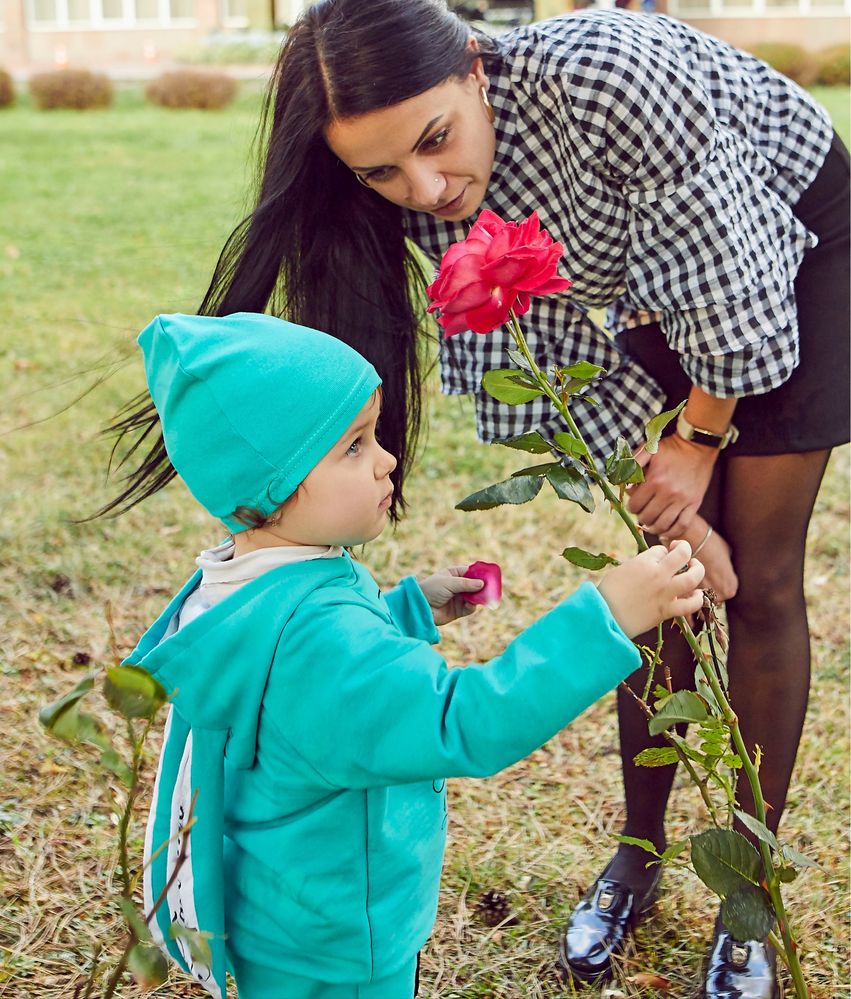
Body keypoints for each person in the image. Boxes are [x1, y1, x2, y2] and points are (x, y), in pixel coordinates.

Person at [103, 2, 850, 994]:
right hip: (640, 292)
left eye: (435, 141)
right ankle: (637, 853)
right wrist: (664, 495)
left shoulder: (608, 73)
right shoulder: (413, 188)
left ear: (472, 63)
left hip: (786, 253)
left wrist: (700, 441)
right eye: (380, 173)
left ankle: (745, 897)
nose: (426, 189)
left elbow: (729, 281)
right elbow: (548, 347)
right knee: (665, 580)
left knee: (750, 584)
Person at [129, 311, 704, 999]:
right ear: (267, 492)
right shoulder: (320, 639)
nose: (386, 459)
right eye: (352, 446)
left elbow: (308, 695)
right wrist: (606, 617)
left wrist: (400, 609)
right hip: (340, 944)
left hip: (281, 918)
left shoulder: (240, 586)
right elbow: (464, 721)